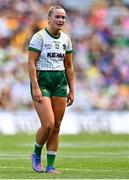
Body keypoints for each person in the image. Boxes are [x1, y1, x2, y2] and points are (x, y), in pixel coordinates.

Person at [28, 6, 74, 174]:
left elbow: (69, 66)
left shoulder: (66, 39)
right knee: (48, 124)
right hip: (43, 81)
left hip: (60, 81)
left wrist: (72, 90)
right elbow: (31, 63)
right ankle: (36, 153)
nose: (61, 20)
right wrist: (35, 86)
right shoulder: (39, 37)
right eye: (57, 17)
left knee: (57, 126)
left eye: (63, 17)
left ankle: (50, 166)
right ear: (49, 18)